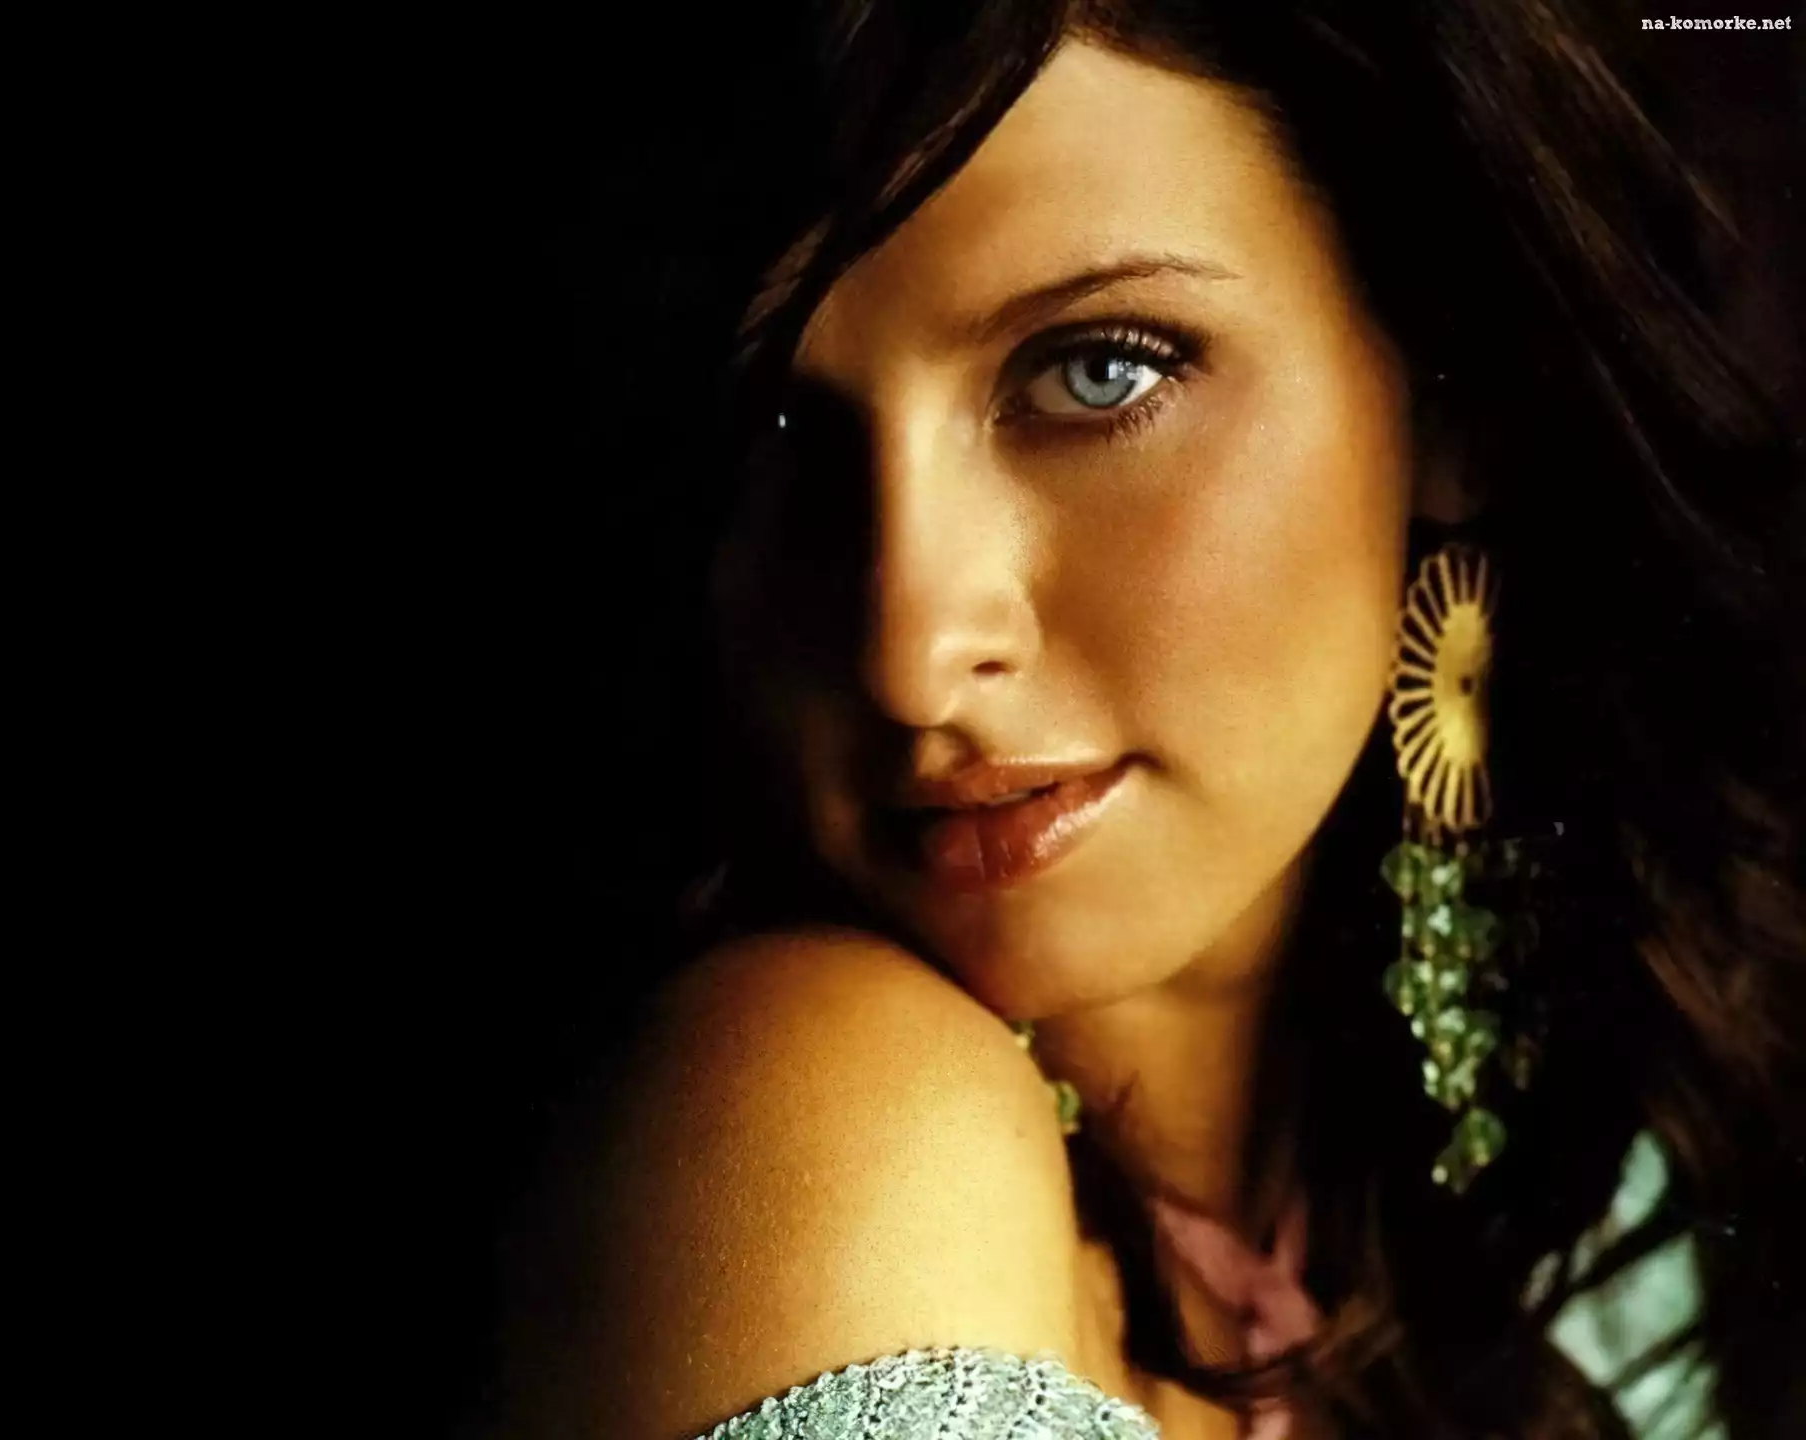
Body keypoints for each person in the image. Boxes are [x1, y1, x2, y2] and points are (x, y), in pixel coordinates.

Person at [490, 3, 1806, 1436]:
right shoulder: (823, 1124)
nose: (912, 656)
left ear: (1455, 389)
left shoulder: (1577, 1157)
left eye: (1096, 370)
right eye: (775, 430)